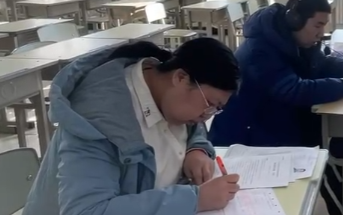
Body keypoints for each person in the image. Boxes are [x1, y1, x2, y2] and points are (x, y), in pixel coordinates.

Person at [208, 0, 343, 215]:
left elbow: (321, 61)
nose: (321, 33)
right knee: (334, 149)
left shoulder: (292, 38)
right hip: (251, 136)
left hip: (280, 118)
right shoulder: (259, 51)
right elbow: (294, 89)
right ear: (295, 20)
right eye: (318, 25)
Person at [23, 38, 242, 215]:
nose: (205, 117)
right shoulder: (97, 120)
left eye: (215, 110)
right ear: (180, 78)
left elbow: (193, 126)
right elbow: (87, 210)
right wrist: (195, 200)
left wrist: (197, 149)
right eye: (209, 104)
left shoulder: (165, 89)